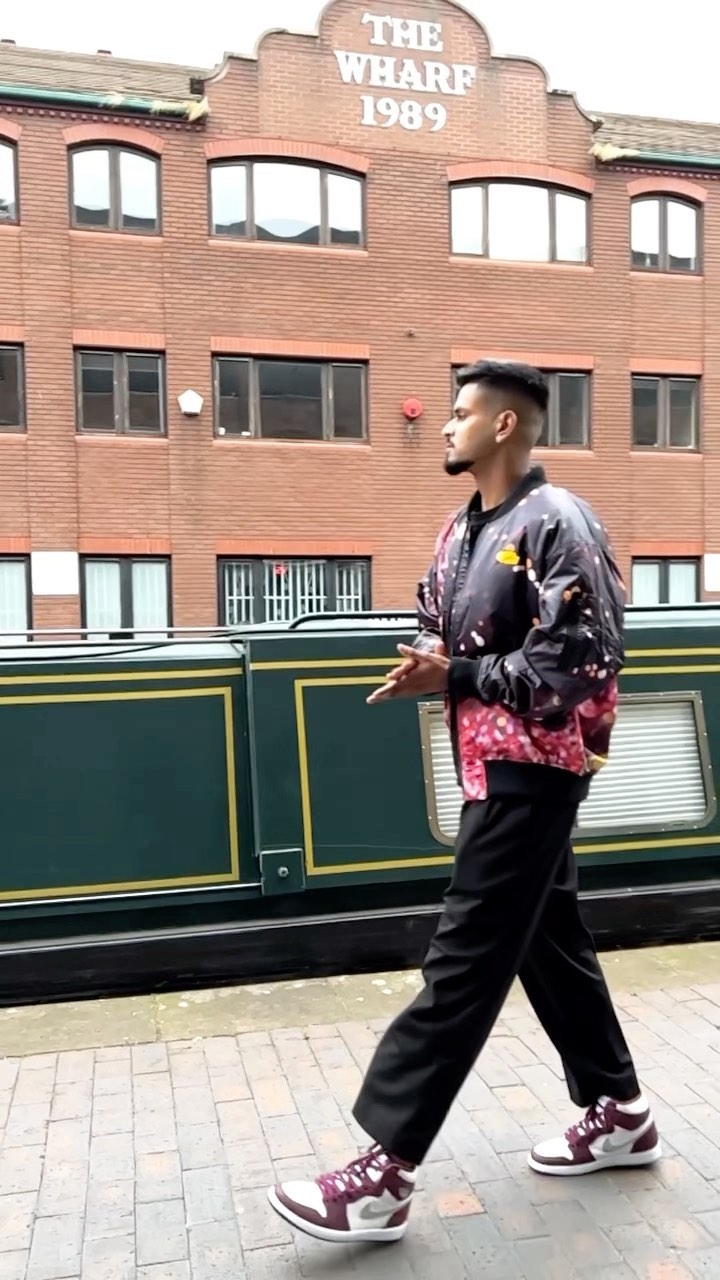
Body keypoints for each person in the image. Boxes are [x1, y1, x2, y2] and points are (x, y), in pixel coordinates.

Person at [267, 359, 660, 1245]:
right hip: (487, 764)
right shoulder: (462, 528)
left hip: (536, 765)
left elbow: (579, 662)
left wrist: (461, 674)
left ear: (504, 424)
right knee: (549, 942)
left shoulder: (559, 522)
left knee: (466, 958)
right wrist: (427, 662)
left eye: (459, 413)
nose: (446, 426)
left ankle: (382, 1176)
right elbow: (438, 622)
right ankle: (621, 1112)